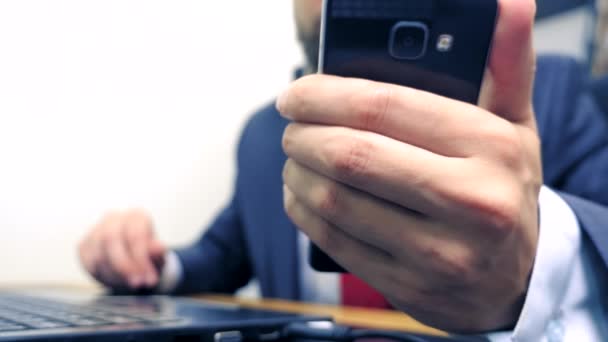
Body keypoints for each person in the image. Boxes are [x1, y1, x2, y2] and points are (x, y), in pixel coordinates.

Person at [79, 0, 608, 340]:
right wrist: (146, 263)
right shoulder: (266, 134)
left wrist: (540, 264)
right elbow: (220, 257)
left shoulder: (552, 93)